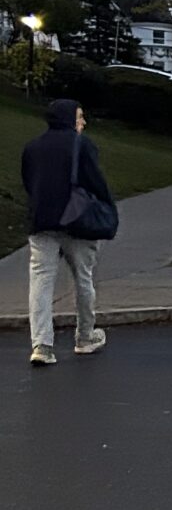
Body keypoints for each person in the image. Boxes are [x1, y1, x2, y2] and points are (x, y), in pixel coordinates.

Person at [21, 96, 115, 367]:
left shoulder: (32, 147)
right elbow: (96, 183)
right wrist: (107, 210)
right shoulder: (82, 145)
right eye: (80, 117)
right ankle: (85, 336)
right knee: (83, 278)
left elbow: (29, 183)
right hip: (78, 222)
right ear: (69, 119)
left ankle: (42, 345)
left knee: (41, 281)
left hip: (42, 223)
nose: (83, 123)